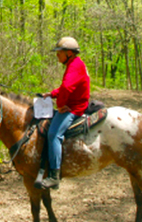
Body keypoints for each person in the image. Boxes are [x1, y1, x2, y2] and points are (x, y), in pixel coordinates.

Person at [40, 36, 90, 189]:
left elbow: (67, 88)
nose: (57, 55)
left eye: (59, 52)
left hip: (74, 108)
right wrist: (52, 94)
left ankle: (54, 176)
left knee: (53, 134)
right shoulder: (74, 64)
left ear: (69, 53)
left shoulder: (75, 66)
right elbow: (66, 87)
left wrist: (60, 105)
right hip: (74, 104)